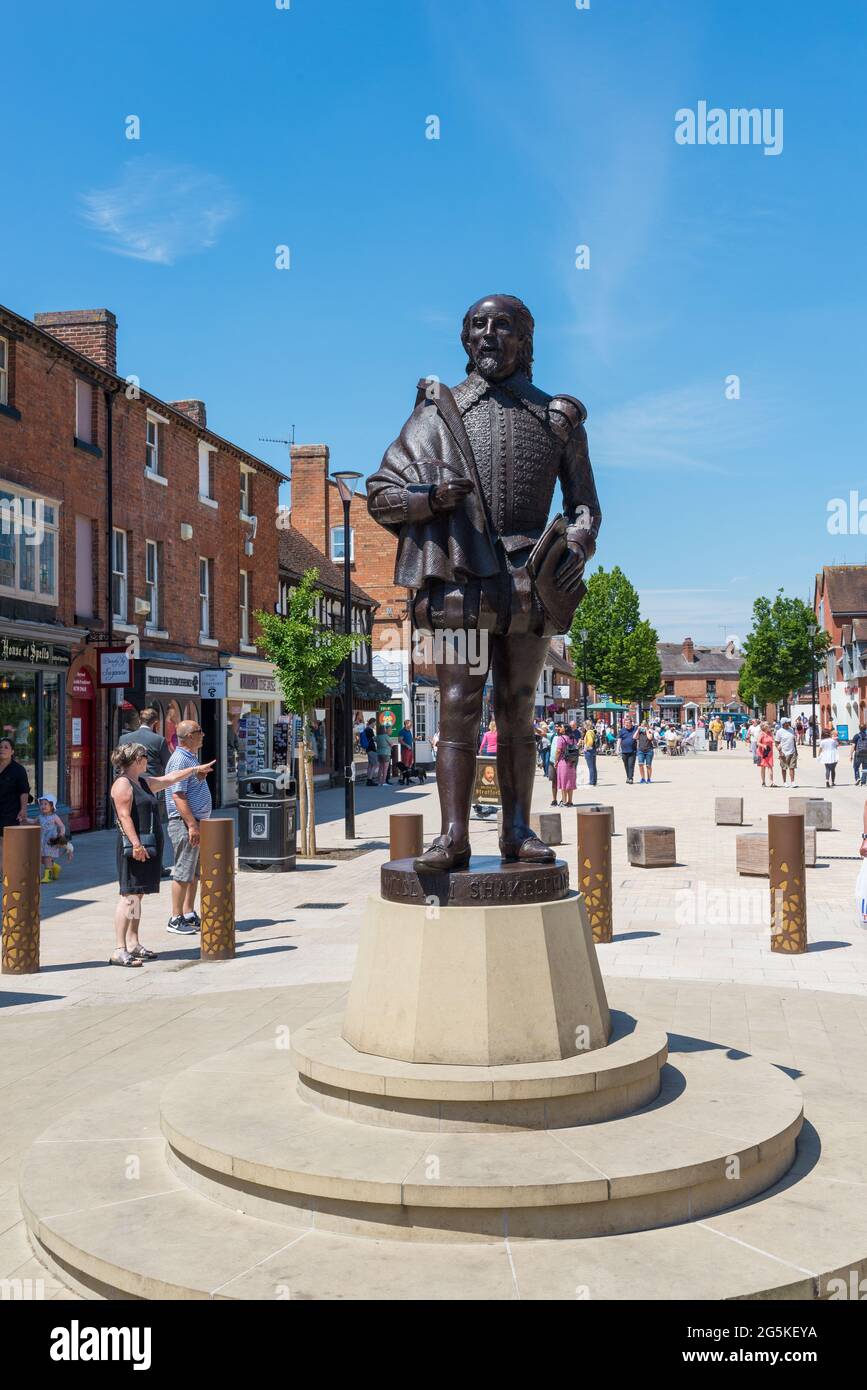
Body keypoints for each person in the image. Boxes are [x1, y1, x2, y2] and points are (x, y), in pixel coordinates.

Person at [366, 293, 601, 871]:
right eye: (477, 325)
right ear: (464, 339)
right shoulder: (438, 416)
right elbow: (380, 494)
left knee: (519, 705)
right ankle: (453, 835)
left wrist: (578, 541)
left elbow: (585, 505)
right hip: (460, 581)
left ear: (525, 339)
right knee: (456, 705)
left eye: (502, 326)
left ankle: (518, 830)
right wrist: (428, 499)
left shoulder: (557, 419)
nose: (488, 335)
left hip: (528, 581)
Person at [109, 742, 216, 967]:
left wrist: (194, 770)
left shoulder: (143, 782)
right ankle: (119, 949)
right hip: (134, 848)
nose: (148, 760)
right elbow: (124, 817)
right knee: (128, 896)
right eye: (145, 756)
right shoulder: (123, 784)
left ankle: (133, 942)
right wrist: (136, 845)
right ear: (137, 760)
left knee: (137, 895)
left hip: (147, 847)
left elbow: (171, 778)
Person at [164, 720, 214, 935]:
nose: (203, 734)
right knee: (183, 871)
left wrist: (198, 775)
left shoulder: (190, 757)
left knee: (193, 872)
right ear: (188, 736)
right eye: (199, 731)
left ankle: (188, 912)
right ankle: (175, 918)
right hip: (185, 824)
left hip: (195, 822)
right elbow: (178, 794)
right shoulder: (180, 759)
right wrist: (192, 824)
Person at [118, 709, 172, 874]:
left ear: (139, 720)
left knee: (128, 821)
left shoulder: (124, 738)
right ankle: (157, 866)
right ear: (155, 723)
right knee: (153, 827)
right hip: (150, 788)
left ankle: (131, 858)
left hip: (127, 785)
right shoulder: (159, 740)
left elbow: (119, 762)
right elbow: (168, 764)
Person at [0, 736, 30, 870]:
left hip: (10, 810)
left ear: (12, 751)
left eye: (6, 747)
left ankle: (5, 871)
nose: (2, 749)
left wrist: (23, 809)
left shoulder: (18, 770)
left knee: (4, 841)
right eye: (0, 747)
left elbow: (24, 791)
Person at [37, 793, 73, 883]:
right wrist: (25, 819)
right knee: (42, 859)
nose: (43, 806)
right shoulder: (40, 817)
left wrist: (61, 834)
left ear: (52, 806)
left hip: (51, 840)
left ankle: (48, 877)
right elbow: (33, 821)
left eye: (46, 804)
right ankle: (56, 867)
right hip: (42, 841)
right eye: (41, 804)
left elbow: (62, 826)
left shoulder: (54, 817)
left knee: (47, 858)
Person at [555, 724, 578, 807]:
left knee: (563, 782)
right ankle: (570, 801)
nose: (559, 728)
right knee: (570, 782)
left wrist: (556, 761)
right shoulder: (573, 739)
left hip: (563, 761)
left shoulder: (560, 738)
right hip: (571, 762)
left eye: (561, 727)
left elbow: (558, 750)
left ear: (564, 730)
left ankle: (564, 801)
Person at [774, 717, 798, 786]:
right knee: (784, 768)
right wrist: (780, 752)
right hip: (784, 752)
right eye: (787, 722)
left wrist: (796, 750)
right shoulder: (779, 732)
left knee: (792, 767)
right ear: (784, 723)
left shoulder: (791, 730)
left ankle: (793, 782)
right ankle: (785, 782)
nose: (789, 723)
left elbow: (793, 740)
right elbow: (776, 742)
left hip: (792, 751)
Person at [618, 716, 638, 784]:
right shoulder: (622, 730)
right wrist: (617, 749)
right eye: (625, 723)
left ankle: (630, 778)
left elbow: (637, 736)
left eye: (628, 723)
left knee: (631, 765)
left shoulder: (635, 729)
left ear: (631, 723)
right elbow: (619, 739)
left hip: (632, 751)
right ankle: (628, 777)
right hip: (624, 751)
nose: (626, 724)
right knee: (626, 765)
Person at [360, 718, 378, 785]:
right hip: (371, 749)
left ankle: (368, 779)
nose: (375, 725)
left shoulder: (365, 729)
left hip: (368, 749)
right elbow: (374, 739)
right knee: (375, 764)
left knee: (370, 765)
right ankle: (370, 779)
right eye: (375, 723)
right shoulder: (370, 730)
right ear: (372, 723)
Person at [756, 721, 775, 787]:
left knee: (770, 767)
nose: (769, 727)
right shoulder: (761, 734)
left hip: (769, 753)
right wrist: (764, 746)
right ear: (764, 727)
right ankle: (763, 782)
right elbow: (757, 743)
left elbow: (773, 741)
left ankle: (771, 782)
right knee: (763, 767)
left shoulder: (770, 733)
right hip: (762, 753)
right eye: (768, 726)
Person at [583, 720, 598, 786]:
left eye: (584, 725)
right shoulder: (592, 731)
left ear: (586, 725)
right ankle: (594, 781)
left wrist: (586, 748)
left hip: (589, 751)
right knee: (593, 767)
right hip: (593, 750)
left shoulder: (588, 732)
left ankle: (592, 781)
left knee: (591, 767)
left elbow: (590, 741)